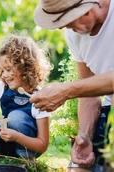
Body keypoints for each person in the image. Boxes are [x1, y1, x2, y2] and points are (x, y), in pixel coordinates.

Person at [33, 0, 113, 171]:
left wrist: (66, 90)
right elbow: (89, 91)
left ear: (86, 12)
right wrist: (85, 136)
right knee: (78, 168)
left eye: (66, 22)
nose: (63, 28)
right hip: (109, 112)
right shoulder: (75, 34)